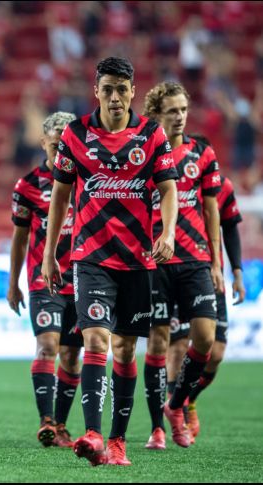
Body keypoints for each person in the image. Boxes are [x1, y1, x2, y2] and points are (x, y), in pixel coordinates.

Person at [41, 57, 178, 466]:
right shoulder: (75, 134)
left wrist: (167, 233)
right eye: (107, 89)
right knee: (95, 340)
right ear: (95, 91)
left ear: (133, 91)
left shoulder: (152, 135)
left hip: (137, 260)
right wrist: (51, 253)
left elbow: (168, 189)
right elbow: (60, 197)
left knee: (124, 349)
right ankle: (94, 435)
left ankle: (118, 440)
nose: (115, 97)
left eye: (122, 88)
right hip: (91, 258)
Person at [141, 82, 223, 450]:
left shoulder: (202, 154)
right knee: (158, 342)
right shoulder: (141, 153)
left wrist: (217, 263)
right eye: (172, 111)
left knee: (204, 338)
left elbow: (211, 210)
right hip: (154, 261)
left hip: (195, 260)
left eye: (183, 110)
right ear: (156, 114)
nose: (179, 117)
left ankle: (176, 405)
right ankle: (158, 427)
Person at [8, 111, 83, 448]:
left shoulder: (87, 181)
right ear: (43, 143)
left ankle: (63, 425)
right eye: (55, 145)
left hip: (83, 279)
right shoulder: (27, 185)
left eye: (66, 145)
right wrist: (13, 282)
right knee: (48, 346)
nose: (61, 151)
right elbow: (20, 238)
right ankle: (46, 421)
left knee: (71, 356)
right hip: (44, 280)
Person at [167, 170, 246, 443]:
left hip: (210, 276)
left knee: (216, 352)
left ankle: (187, 399)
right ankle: (174, 413)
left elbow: (231, 227)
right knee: (177, 345)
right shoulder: (172, 182)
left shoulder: (222, 186)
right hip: (176, 271)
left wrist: (236, 271)